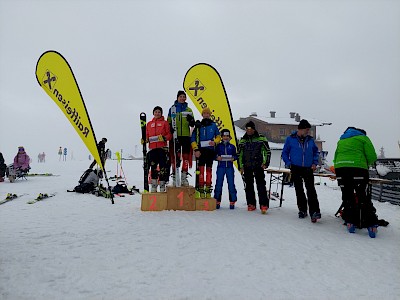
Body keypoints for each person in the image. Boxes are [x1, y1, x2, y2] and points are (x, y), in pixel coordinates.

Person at [333, 127, 379, 238]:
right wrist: (364, 163)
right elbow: (372, 156)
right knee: (362, 195)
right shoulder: (363, 138)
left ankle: (350, 222)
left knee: (347, 196)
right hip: (357, 168)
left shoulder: (341, 140)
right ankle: (371, 225)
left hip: (341, 169)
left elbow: (335, 157)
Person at [282, 119, 321, 222]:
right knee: (299, 190)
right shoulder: (290, 139)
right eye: (306, 130)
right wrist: (288, 163)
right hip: (295, 167)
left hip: (308, 168)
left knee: (311, 190)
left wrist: (314, 162)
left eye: (309, 130)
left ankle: (314, 212)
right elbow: (285, 153)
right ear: (300, 129)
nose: (308, 131)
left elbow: (316, 152)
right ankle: (302, 210)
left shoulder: (310, 140)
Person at [238, 121, 271, 214]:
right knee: (248, 185)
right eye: (247, 129)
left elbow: (267, 151)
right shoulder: (242, 140)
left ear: (254, 129)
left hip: (258, 165)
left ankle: (264, 204)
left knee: (261, 185)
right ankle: (251, 203)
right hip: (247, 166)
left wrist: (266, 163)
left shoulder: (261, 138)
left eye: (250, 129)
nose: (249, 130)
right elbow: (239, 154)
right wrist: (240, 166)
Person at [191, 107, 221, 198]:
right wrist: (196, 149)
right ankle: (200, 189)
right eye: (205, 114)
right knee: (201, 170)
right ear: (202, 115)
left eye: (208, 114)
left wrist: (215, 142)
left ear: (210, 115)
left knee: (209, 170)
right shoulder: (199, 125)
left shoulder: (213, 125)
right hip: (201, 151)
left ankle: (208, 189)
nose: (206, 115)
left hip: (210, 150)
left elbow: (218, 136)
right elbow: (193, 139)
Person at [167, 90, 195, 186]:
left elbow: (192, 124)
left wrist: (191, 121)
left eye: (184, 97)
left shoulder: (189, 110)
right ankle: (175, 176)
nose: (182, 98)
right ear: (177, 98)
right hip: (176, 136)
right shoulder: (172, 109)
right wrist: (170, 127)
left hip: (186, 136)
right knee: (176, 157)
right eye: (181, 97)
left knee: (186, 157)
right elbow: (168, 121)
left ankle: (184, 176)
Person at [146, 106, 172, 192]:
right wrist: (145, 139)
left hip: (162, 148)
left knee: (162, 167)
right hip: (153, 148)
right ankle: (154, 184)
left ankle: (162, 184)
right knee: (153, 166)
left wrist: (164, 138)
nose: (157, 113)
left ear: (161, 113)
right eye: (156, 112)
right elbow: (146, 135)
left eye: (159, 112)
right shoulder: (149, 124)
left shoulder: (165, 123)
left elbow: (169, 135)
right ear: (153, 113)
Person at [213, 129, 237, 209]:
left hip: (229, 167)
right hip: (221, 167)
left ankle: (232, 201)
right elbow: (214, 155)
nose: (225, 138)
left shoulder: (232, 146)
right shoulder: (218, 146)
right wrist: (217, 157)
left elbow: (236, 155)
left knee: (231, 184)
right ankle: (217, 200)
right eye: (224, 136)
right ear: (221, 137)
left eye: (227, 136)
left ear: (229, 137)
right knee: (219, 184)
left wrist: (233, 158)